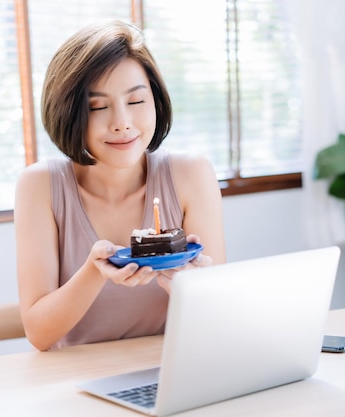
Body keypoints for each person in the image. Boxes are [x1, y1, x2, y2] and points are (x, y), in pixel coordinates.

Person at [14, 20, 226, 352]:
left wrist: (189, 284)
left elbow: (217, 319)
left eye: (137, 101)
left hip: (172, 371)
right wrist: (95, 271)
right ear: (68, 114)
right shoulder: (40, 186)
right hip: (75, 384)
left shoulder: (191, 174)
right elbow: (39, 333)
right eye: (98, 107)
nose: (122, 123)